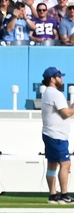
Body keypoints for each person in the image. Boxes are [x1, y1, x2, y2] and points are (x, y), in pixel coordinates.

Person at [41, 66, 74, 203]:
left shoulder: (48, 93)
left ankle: (53, 195)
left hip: (50, 133)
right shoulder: (55, 94)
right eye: (59, 76)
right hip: (57, 135)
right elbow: (66, 113)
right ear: (52, 79)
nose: (62, 79)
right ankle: (64, 194)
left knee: (52, 165)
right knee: (65, 164)